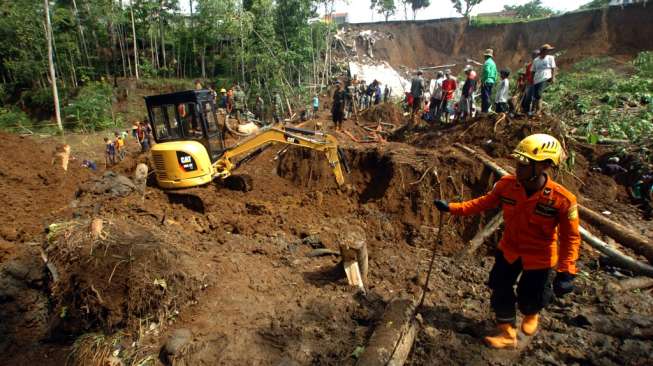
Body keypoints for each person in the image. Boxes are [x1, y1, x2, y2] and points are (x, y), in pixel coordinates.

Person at [434, 134, 580, 349]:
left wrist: (567, 270)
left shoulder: (562, 200)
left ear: (543, 166)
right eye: (517, 162)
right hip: (509, 249)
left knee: (530, 295)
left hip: (540, 257)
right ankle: (507, 332)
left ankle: (531, 313)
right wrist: (453, 208)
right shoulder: (506, 185)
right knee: (499, 286)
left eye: (524, 164)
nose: (518, 168)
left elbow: (571, 237)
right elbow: (483, 203)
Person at [529, 44, 557, 117]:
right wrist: (531, 79)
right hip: (537, 79)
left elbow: (553, 68)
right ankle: (534, 110)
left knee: (538, 94)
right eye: (547, 50)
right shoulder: (536, 60)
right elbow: (533, 71)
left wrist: (553, 77)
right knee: (535, 95)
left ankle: (538, 110)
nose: (548, 52)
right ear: (543, 51)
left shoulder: (550, 58)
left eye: (549, 51)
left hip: (546, 77)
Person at [521, 50, 540, 115]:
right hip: (529, 83)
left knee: (535, 97)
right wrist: (524, 81)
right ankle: (526, 110)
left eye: (537, 55)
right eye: (535, 55)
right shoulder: (529, 65)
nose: (536, 57)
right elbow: (525, 74)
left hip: (536, 83)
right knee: (527, 97)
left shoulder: (539, 65)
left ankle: (532, 110)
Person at [481, 49, 498, 114]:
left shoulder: (487, 62)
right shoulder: (493, 63)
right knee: (488, 95)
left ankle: (484, 111)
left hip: (486, 81)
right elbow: (496, 73)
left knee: (485, 96)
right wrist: (494, 80)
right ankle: (487, 110)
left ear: (486, 56)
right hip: (491, 81)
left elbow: (487, 71)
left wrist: (484, 80)